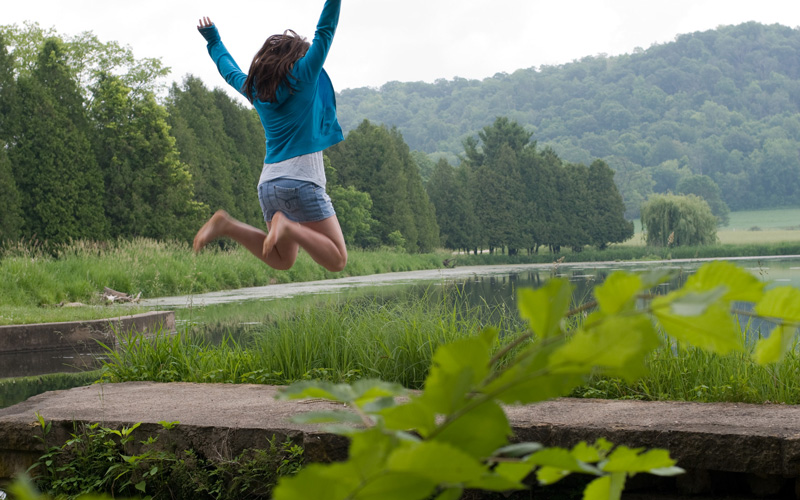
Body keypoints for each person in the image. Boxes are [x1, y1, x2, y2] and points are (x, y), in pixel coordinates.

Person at [193, 0, 347, 272]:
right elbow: (325, 31)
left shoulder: (256, 88)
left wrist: (213, 40)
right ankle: (288, 227)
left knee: (281, 261)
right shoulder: (304, 74)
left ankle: (226, 225)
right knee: (337, 260)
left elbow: (230, 72)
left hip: (269, 186)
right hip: (302, 181)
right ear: (297, 56)